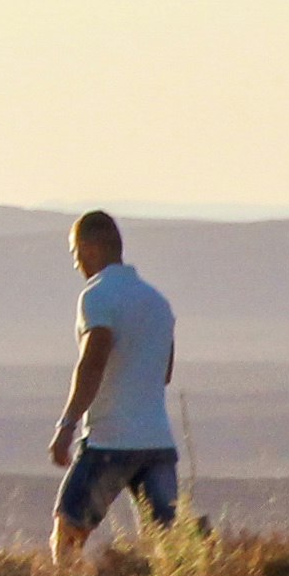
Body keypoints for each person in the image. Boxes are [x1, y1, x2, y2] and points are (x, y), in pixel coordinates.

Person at [48, 209, 181, 558]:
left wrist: (67, 425)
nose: (76, 263)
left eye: (76, 253)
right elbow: (163, 373)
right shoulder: (158, 302)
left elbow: (93, 362)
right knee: (166, 548)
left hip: (110, 442)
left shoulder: (97, 296)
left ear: (91, 249)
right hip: (157, 441)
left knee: (68, 536)